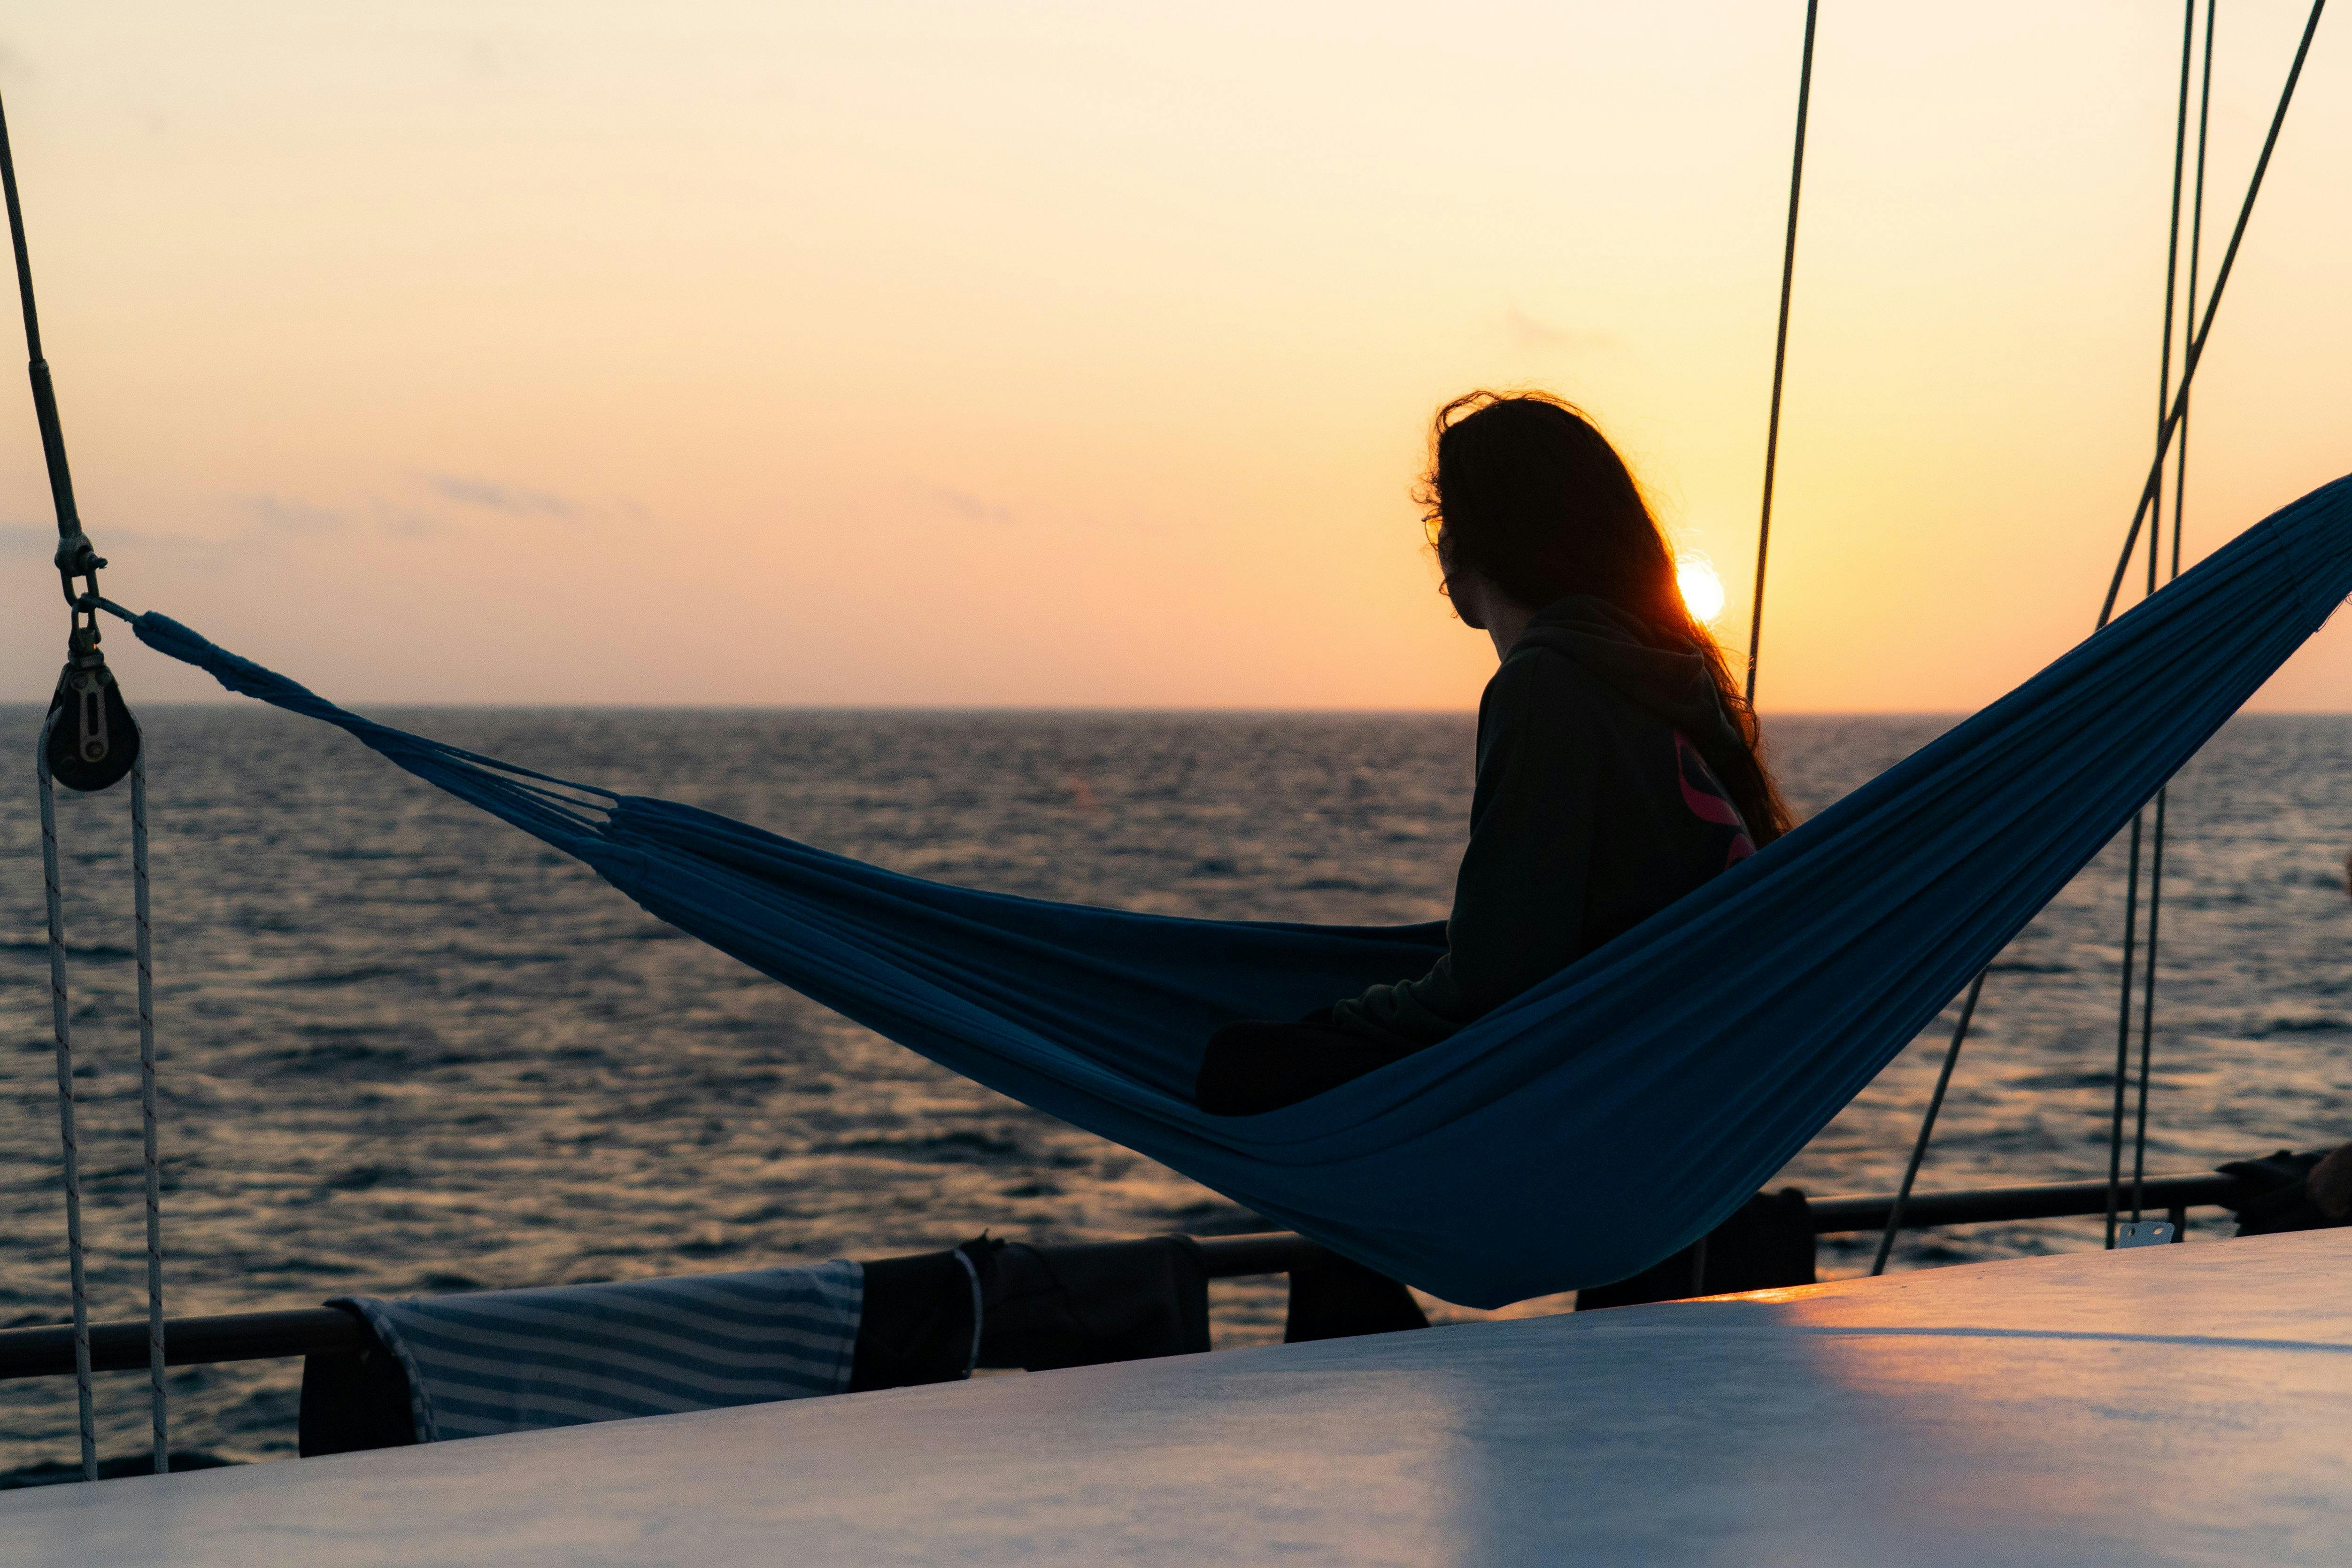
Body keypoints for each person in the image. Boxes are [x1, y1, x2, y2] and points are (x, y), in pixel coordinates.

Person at [1195, 391, 1794, 1115]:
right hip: (1696, 1078)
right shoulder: (1672, 682)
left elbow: (1498, 978)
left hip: (1600, 1083)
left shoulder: (1547, 684)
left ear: (1462, 551)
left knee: (1236, 1063)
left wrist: (1341, 1019)